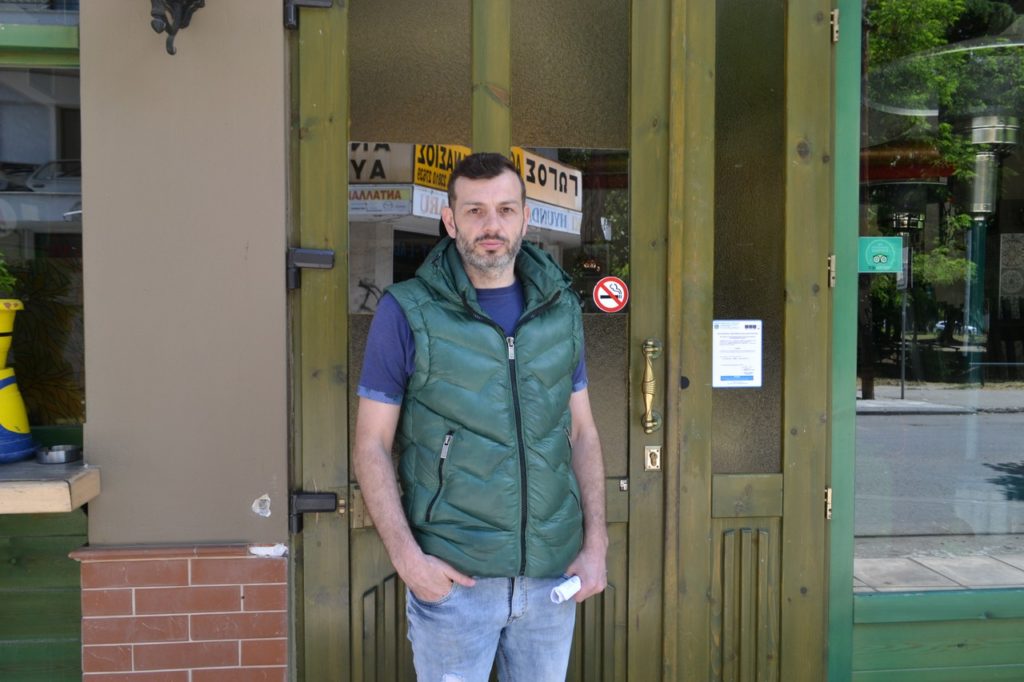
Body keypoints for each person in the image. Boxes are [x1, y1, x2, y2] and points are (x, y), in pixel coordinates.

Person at [353, 152, 607, 681]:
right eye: (474, 211)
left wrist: (596, 543)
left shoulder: (560, 310)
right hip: (455, 584)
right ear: (450, 221)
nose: (492, 226)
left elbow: (582, 432)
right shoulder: (406, 311)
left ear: (525, 219)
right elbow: (371, 443)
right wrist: (408, 561)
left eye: (505, 210)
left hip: (551, 580)